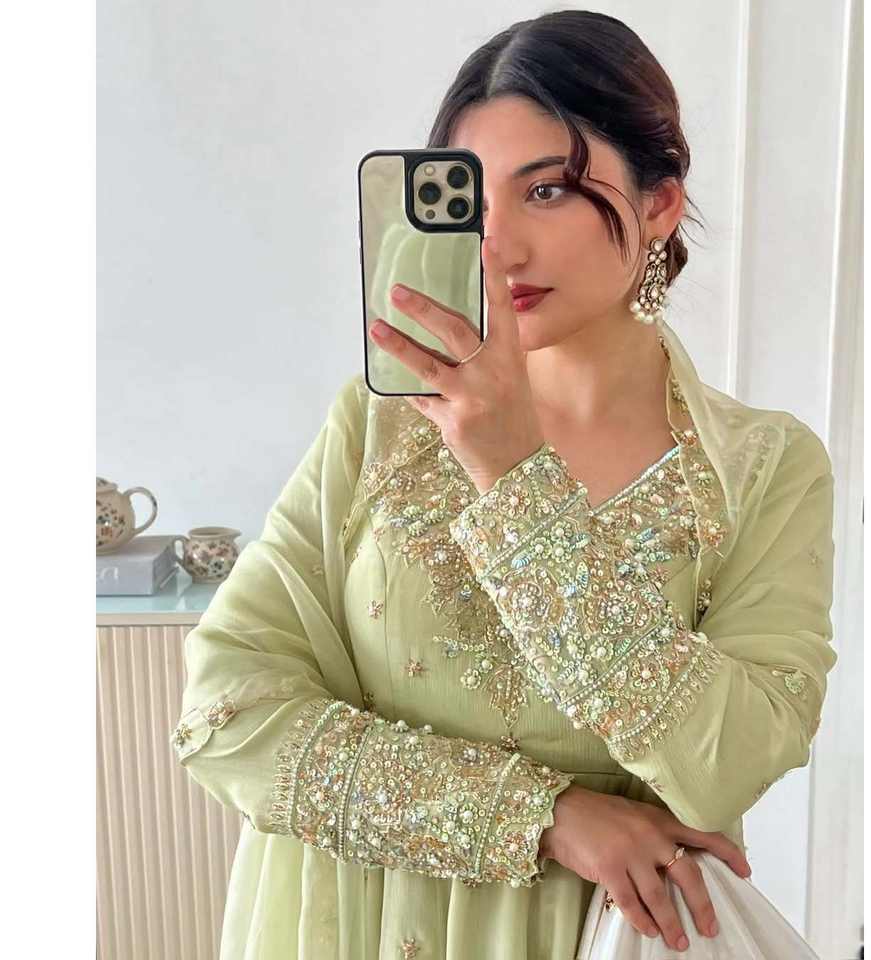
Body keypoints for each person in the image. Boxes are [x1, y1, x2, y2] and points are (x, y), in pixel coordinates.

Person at [171, 11, 837, 958]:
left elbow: (726, 762)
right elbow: (225, 718)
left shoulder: (762, 467)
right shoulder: (380, 425)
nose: (500, 247)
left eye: (549, 191)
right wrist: (546, 816)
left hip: (599, 938)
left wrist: (513, 474)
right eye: (468, 202)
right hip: (357, 926)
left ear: (658, 203)